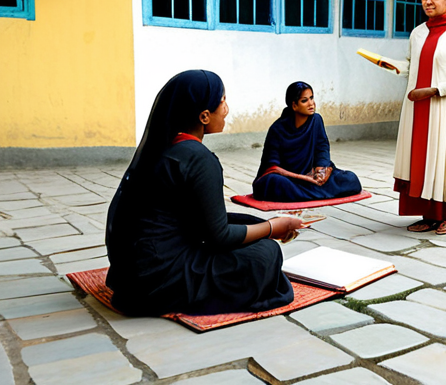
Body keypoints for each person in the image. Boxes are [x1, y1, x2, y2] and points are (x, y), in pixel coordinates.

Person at [105, 70, 305, 316]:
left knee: (248, 222)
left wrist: (268, 225)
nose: (227, 109)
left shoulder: (162, 148)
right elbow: (218, 236)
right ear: (204, 116)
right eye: (222, 102)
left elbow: (202, 220)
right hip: (159, 282)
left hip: (130, 279)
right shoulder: (198, 159)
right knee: (266, 254)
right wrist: (274, 228)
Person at [375, 0, 446, 235]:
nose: (428, 2)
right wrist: (392, 65)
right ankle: (428, 215)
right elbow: (413, 65)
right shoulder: (418, 32)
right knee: (421, 158)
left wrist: (433, 91)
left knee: (444, 159)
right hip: (417, 105)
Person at [252, 81, 362, 202]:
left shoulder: (316, 120)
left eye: (311, 98)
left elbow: (322, 147)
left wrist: (321, 172)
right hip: (289, 178)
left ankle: (306, 194)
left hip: (313, 172)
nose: (311, 103)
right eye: (304, 100)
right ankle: (315, 192)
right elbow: (272, 168)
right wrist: (304, 178)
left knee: (350, 179)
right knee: (273, 183)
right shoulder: (277, 129)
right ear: (294, 105)